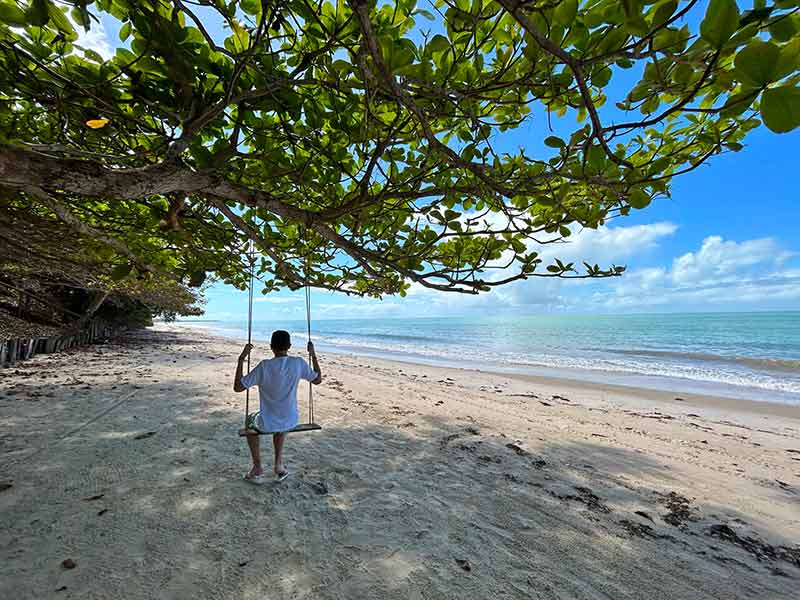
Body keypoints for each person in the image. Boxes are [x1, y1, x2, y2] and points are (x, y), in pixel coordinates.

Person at [233, 330, 322, 484]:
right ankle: (278, 466)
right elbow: (318, 379)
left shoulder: (264, 366)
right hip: (291, 420)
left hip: (268, 423)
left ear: (271, 347)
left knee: (250, 420)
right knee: (281, 422)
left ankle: (257, 467)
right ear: (289, 346)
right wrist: (313, 354)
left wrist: (241, 359)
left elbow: (238, 387)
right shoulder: (298, 363)